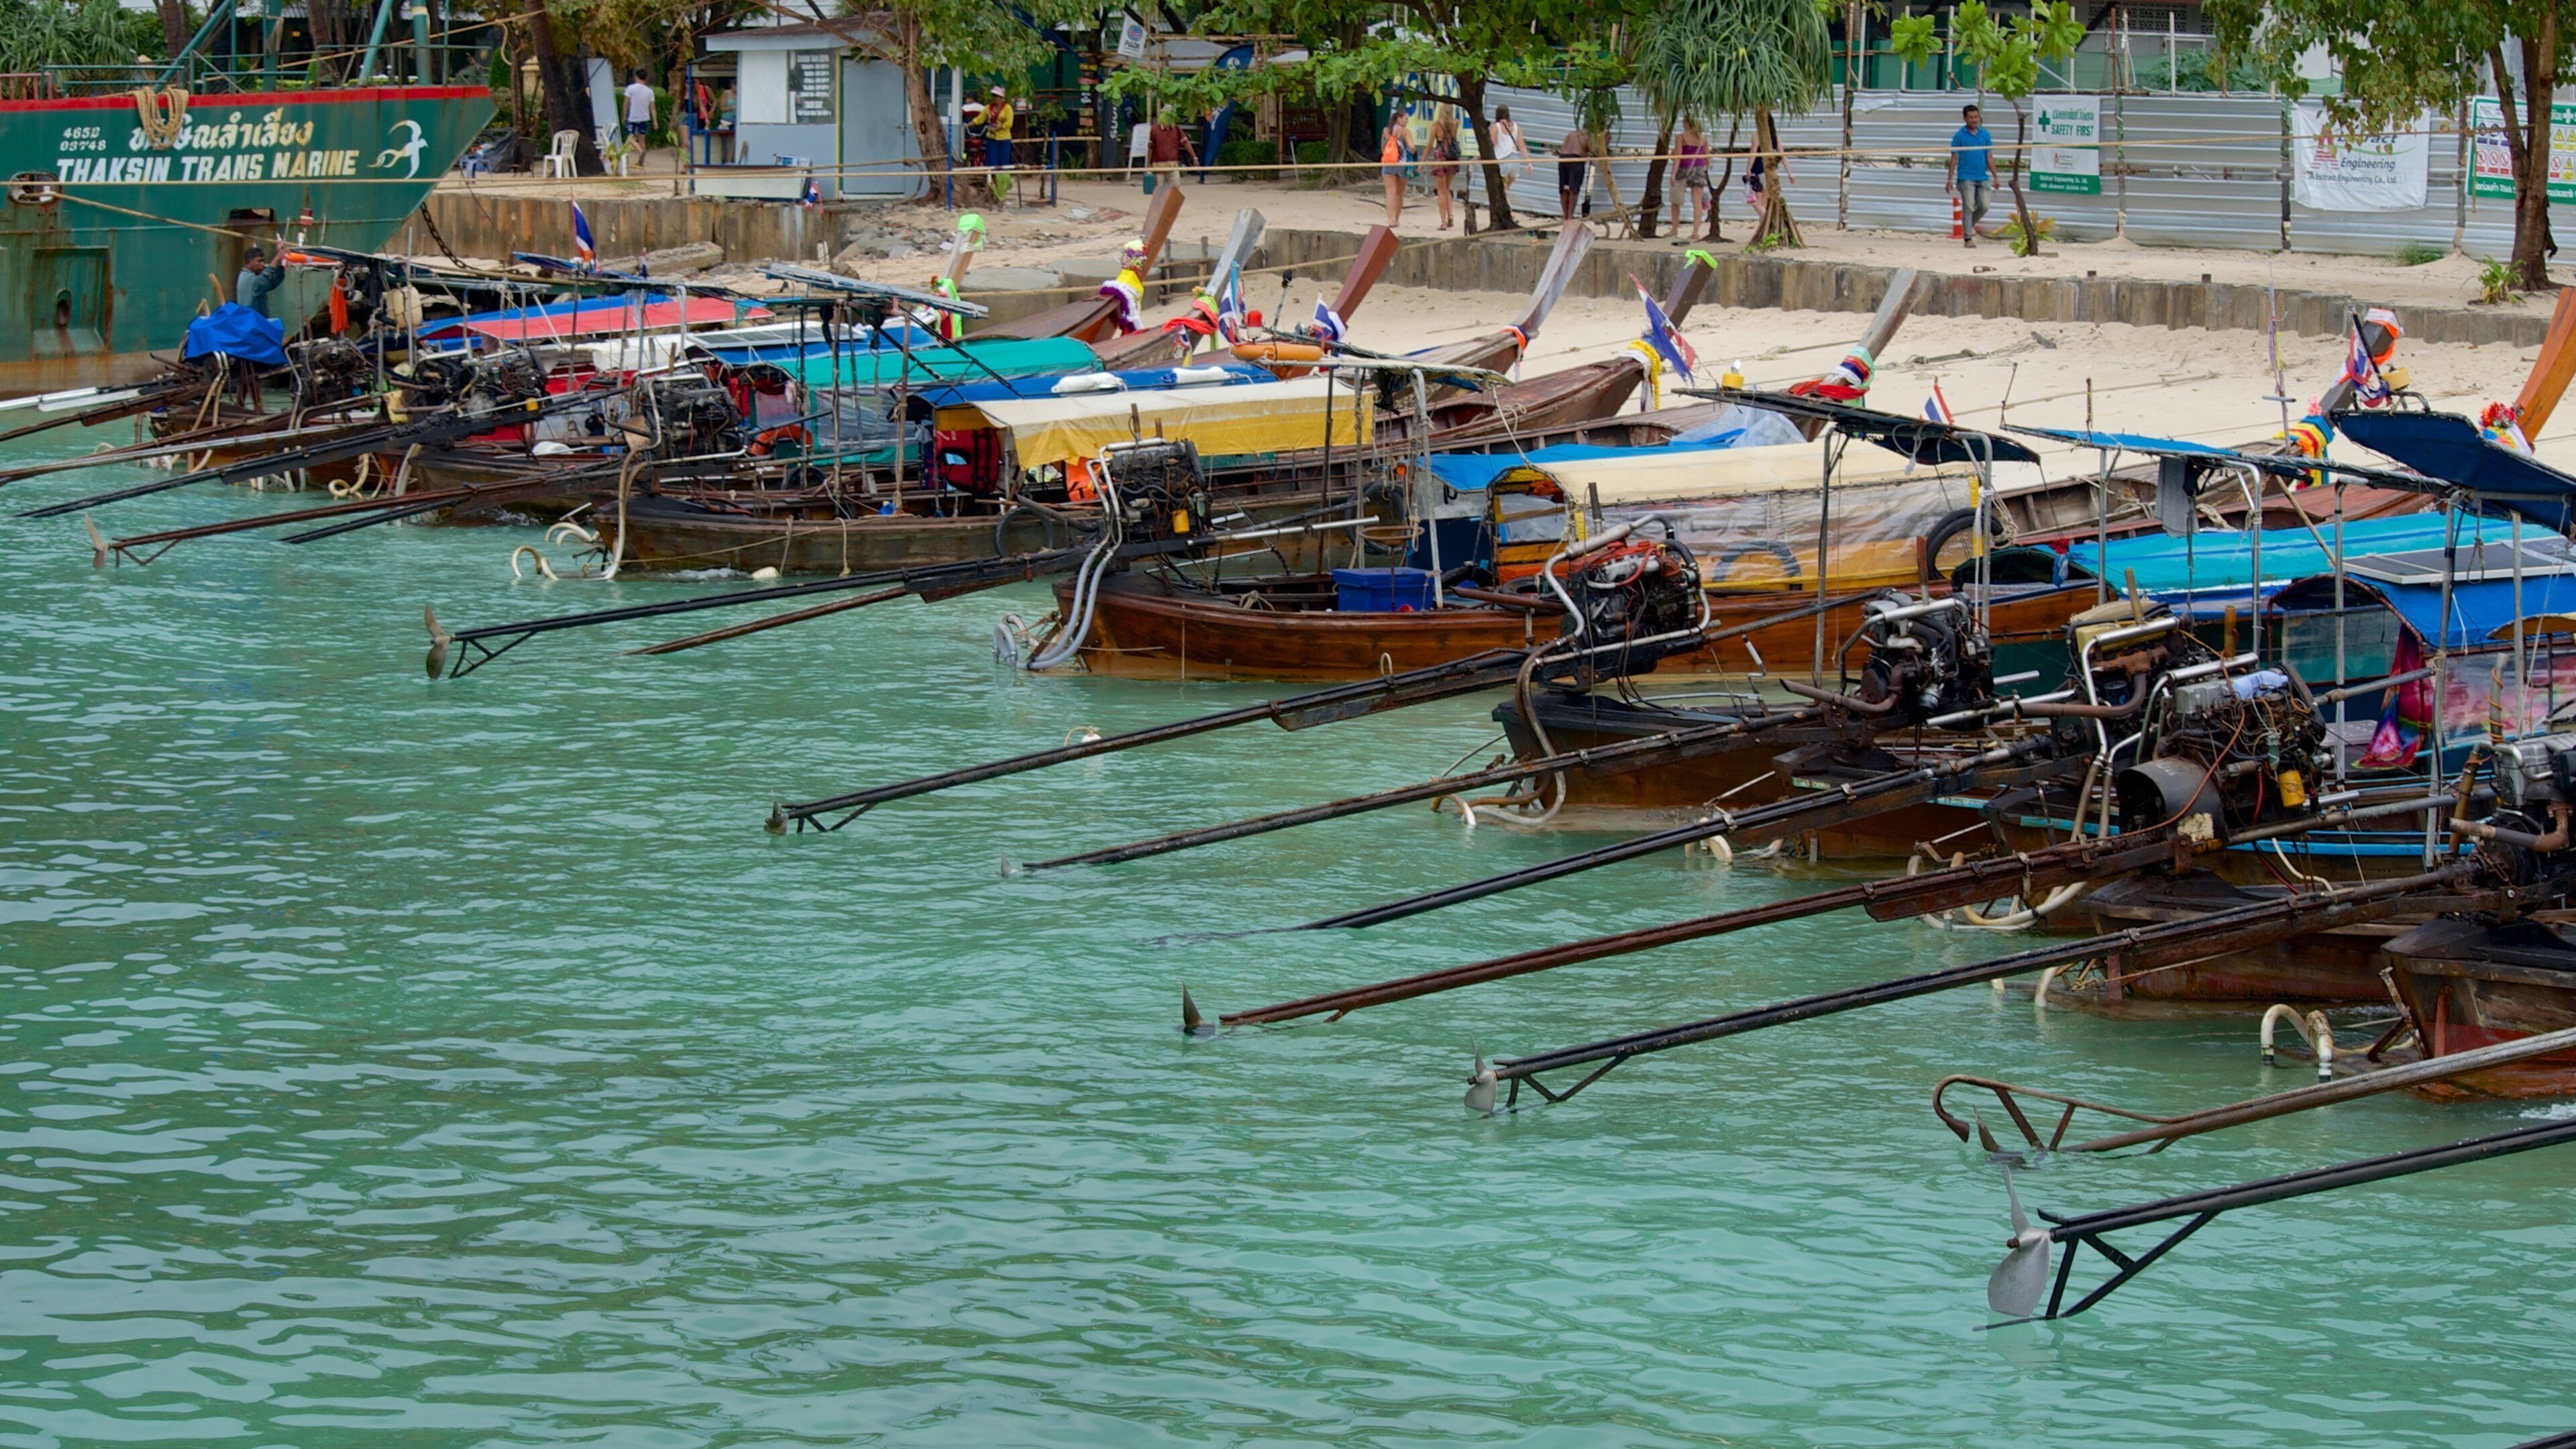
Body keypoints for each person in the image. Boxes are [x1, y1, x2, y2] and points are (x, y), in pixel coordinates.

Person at [1947, 103, 1992, 249]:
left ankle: (1968, 224)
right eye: (1971, 117)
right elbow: (1954, 158)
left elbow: (1989, 157)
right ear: (1965, 119)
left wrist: (1996, 176)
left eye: (1976, 117)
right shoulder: (1959, 136)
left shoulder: (1985, 135)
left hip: (1982, 177)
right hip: (1966, 177)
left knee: (1985, 206)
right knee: (1968, 206)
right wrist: (1949, 180)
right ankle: (1968, 238)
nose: (1974, 120)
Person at [1669, 116, 1710, 243]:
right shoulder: (1703, 138)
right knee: (1697, 202)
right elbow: (1707, 156)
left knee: (1676, 200)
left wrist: (1673, 174)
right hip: (1699, 170)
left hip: (1683, 169)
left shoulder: (1680, 137)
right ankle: (1696, 233)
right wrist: (1705, 170)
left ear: (1687, 123)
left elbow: (1678, 157)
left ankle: (1675, 229)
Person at [1146, 109, 1195, 195]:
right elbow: (1151, 148)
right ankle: (1159, 207)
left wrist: (1194, 157)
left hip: (1173, 165)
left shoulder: (1176, 129)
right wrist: (1148, 164)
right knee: (1159, 190)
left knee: (1175, 188)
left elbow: (1186, 143)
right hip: (1158, 166)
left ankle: (1171, 207)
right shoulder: (1155, 130)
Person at [1428, 111, 1461, 230]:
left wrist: (1423, 161)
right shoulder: (1456, 123)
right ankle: (1451, 215)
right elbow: (1453, 140)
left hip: (1440, 158)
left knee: (1441, 191)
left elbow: (1430, 144)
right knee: (1447, 188)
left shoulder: (1436, 125)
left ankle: (1443, 222)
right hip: (1451, 158)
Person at [234, 244, 284, 318]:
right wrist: (277, 259)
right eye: (259, 261)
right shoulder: (248, 279)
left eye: (263, 261)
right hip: (252, 325)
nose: (263, 265)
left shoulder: (254, 277)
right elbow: (264, 279)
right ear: (249, 262)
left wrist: (280, 266)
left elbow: (273, 282)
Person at [1379, 116, 1411, 226]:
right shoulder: (1405, 131)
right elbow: (1412, 147)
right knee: (1399, 194)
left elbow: (1383, 147)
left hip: (1389, 163)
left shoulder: (1386, 130)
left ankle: (1390, 220)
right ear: (1399, 119)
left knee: (1390, 193)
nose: (1407, 121)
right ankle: (1396, 219)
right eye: (1406, 118)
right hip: (1402, 164)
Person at [1556, 125, 1593, 223]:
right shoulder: (1590, 135)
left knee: (1564, 189)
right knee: (1574, 190)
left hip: (1563, 158)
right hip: (1576, 160)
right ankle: (1570, 216)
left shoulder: (1571, 134)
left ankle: (1565, 216)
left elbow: (1563, 147)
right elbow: (1593, 150)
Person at [1490, 106, 1528, 184]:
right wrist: (1529, 162)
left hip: (1503, 160)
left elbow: (1492, 143)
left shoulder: (1496, 127)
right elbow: (1521, 145)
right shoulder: (1516, 127)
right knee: (1506, 190)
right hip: (1515, 161)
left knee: (1501, 190)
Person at [623, 69, 654, 149]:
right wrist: (655, 121)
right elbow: (653, 108)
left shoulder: (630, 88)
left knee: (630, 139)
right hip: (644, 118)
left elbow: (626, 103)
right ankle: (642, 158)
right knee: (642, 140)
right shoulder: (650, 91)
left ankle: (640, 152)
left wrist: (624, 116)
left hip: (633, 117)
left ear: (636, 77)